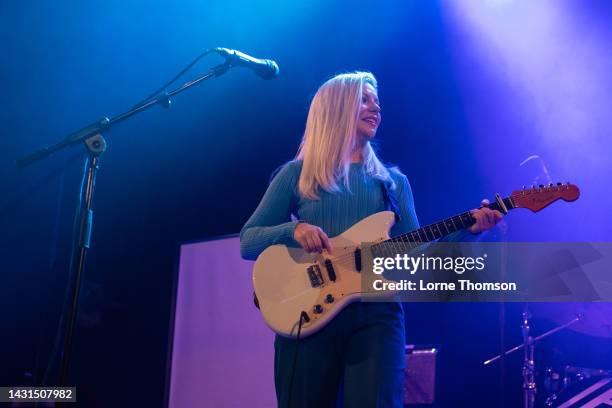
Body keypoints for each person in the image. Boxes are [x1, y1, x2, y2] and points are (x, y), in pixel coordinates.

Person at [240, 72, 501, 408]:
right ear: (336, 108)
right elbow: (248, 241)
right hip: (307, 313)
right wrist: (293, 230)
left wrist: (469, 229)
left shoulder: (392, 182)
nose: (375, 107)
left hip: (377, 315)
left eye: (376, 100)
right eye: (365, 99)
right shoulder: (296, 175)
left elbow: (418, 255)